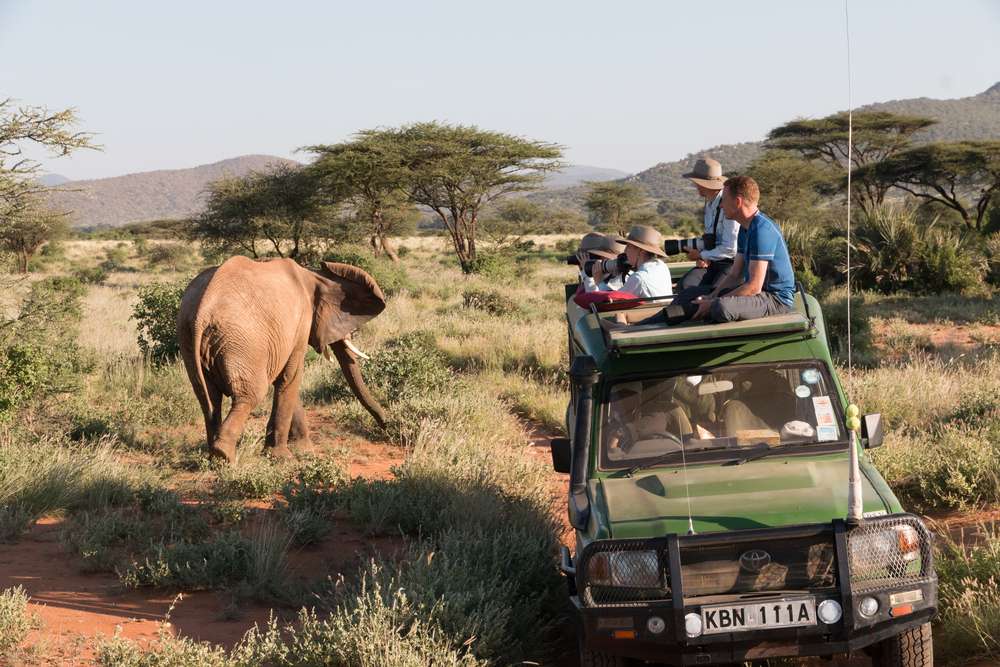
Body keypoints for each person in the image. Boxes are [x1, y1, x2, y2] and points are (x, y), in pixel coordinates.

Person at [689, 175, 795, 323]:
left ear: (737, 202)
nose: (721, 206)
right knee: (693, 294)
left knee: (721, 307)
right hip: (759, 295)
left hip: (776, 299)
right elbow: (734, 275)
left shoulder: (762, 230)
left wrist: (714, 302)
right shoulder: (744, 228)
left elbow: (753, 287)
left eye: (724, 201)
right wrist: (712, 296)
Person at [679, 158, 741, 290]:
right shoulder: (709, 203)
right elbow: (711, 237)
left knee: (715, 293)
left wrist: (702, 255)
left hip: (733, 264)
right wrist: (705, 255)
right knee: (685, 285)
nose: (696, 186)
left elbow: (730, 248)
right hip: (713, 261)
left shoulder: (728, 204)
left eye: (698, 183)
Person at [593, 225, 673, 299]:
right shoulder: (662, 266)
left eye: (629, 246)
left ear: (641, 251)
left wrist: (599, 281)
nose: (625, 250)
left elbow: (612, 300)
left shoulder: (639, 278)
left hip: (650, 314)